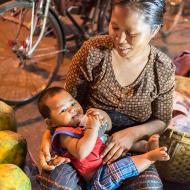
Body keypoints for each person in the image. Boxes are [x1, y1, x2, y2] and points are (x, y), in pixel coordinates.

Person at [38, 0, 175, 189]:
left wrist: (131, 135)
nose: (120, 39)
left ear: (154, 30)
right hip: (79, 143)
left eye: (132, 33)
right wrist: (48, 138)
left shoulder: (163, 69)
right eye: (115, 27)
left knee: (149, 186)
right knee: (54, 183)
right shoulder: (92, 52)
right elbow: (64, 103)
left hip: (129, 149)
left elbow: (162, 119)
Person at [37, 87, 169, 190]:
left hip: (109, 155)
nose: (72, 109)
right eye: (63, 110)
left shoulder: (80, 123)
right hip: (99, 174)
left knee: (113, 141)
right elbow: (81, 152)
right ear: (51, 123)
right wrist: (92, 129)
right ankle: (149, 158)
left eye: (72, 103)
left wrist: (100, 119)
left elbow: (104, 132)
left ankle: (146, 147)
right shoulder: (64, 134)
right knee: (124, 167)